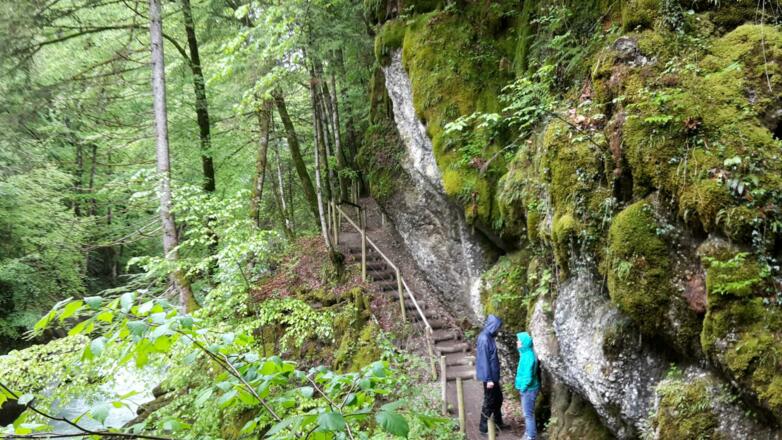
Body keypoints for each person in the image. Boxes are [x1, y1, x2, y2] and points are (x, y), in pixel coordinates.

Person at [475, 314, 505, 435]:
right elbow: (484, 360)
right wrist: (488, 379)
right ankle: (483, 429)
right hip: (490, 378)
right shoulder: (484, 339)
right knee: (489, 402)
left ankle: (498, 422)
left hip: (493, 376)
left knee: (498, 399)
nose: (499, 330)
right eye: (498, 328)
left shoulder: (489, 336)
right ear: (493, 326)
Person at [515, 331, 540, 440]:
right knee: (528, 413)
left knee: (528, 414)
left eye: (519, 341)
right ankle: (529, 432)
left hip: (529, 389)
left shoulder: (528, 356)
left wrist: (523, 387)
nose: (517, 342)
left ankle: (531, 436)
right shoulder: (525, 353)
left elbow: (528, 376)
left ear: (524, 343)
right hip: (528, 388)